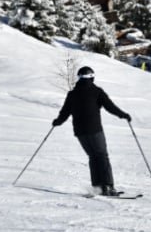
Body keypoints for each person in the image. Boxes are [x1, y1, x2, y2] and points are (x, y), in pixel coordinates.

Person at [52, 66, 131, 197]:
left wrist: (58, 121)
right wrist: (123, 115)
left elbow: (65, 112)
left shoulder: (72, 94)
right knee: (102, 156)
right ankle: (107, 186)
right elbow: (109, 106)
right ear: (92, 78)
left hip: (80, 132)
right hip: (94, 130)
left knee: (93, 156)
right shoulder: (96, 91)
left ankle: (97, 186)